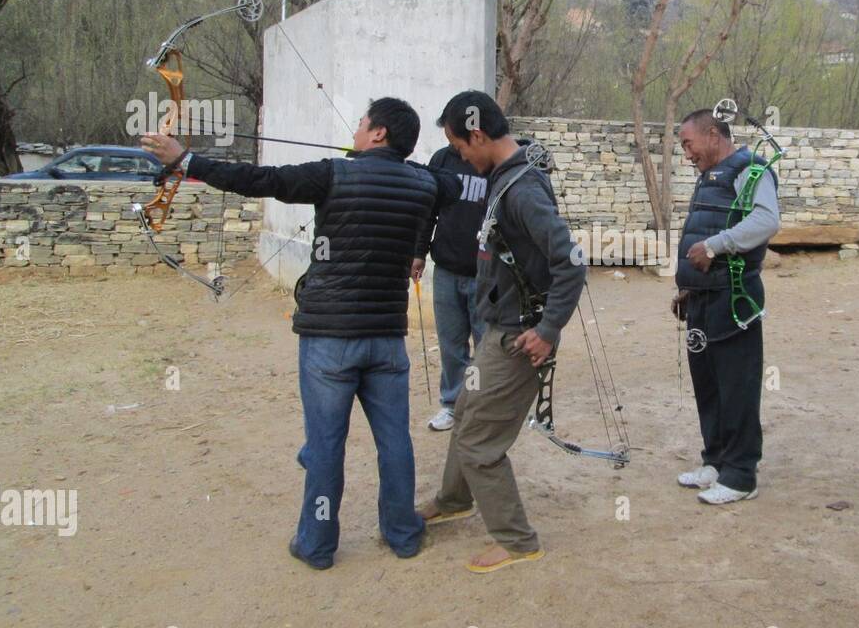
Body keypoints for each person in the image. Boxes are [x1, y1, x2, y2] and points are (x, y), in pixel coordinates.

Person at [141, 98, 445, 570]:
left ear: (379, 133)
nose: (357, 131)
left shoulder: (333, 174)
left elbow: (261, 180)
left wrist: (187, 161)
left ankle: (317, 546)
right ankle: (403, 534)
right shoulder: (426, 185)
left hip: (329, 338)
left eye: (362, 124)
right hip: (386, 337)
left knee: (324, 446)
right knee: (395, 441)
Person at [418, 91, 585, 573]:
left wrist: (548, 328)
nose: (460, 157)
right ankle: (453, 500)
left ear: (477, 134)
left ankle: (517, 541)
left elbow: (571, 263)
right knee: (467, 409)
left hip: (519, 338)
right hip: (497, 328)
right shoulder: (505, 174)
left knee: (479, 441)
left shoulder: (523, 189)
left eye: (460, 146)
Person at [672, 108, 781, 505]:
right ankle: (715, 461)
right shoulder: (708, 177)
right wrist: (686, 287)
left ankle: (741, 475)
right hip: (701, 300)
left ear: (714, 134)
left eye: (689, 144)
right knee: (709, 384)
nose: (687, 154)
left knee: (737, 385)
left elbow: (766, 221)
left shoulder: (750, 170)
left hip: (734, 300)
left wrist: (717, 247)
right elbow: (699, 230)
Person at [412, 141, 488, 431]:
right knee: (451, 345)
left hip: (484, 274)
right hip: (445, 269)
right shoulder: (442, 158)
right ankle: (453, 405)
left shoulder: (492, 161)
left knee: (485, 345)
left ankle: (480, 408)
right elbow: (428, 210)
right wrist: (419, 253)